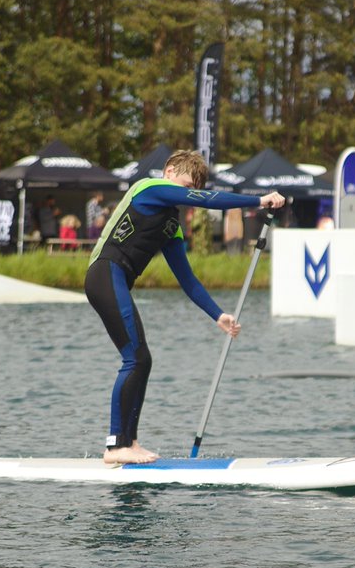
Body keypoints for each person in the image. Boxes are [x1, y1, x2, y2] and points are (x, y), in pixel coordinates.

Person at [85, 150, 285, 465]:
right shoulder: (148, 189)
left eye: (189, 187)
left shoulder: (171, 225)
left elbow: (187, 279)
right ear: (169, 170)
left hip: (117, 280)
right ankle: (114, 446)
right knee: (134, 358)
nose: (183, 193)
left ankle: (129, 442)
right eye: (184, 183)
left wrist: (218, 315)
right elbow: (205, 199)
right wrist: (258, 202)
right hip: (104, 273)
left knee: (142, 360)